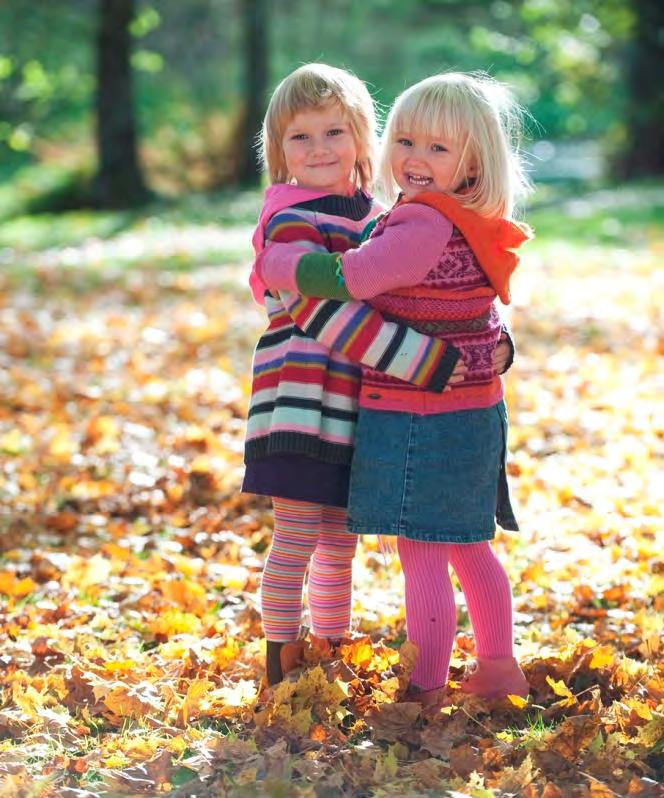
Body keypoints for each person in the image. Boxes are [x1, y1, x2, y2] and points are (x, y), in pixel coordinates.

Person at [255, 71, 532, 705]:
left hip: (416, 410)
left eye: (439, 148)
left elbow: (357, 277)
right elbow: (468, 306)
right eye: (407, 141)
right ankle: (493, 667)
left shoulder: (413, 221)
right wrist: (483, 350)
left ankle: (423, 685)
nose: (416, 158)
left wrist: (279, 267)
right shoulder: (457, 218)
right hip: (411, 407)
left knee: (423, 548)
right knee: (462, 543)